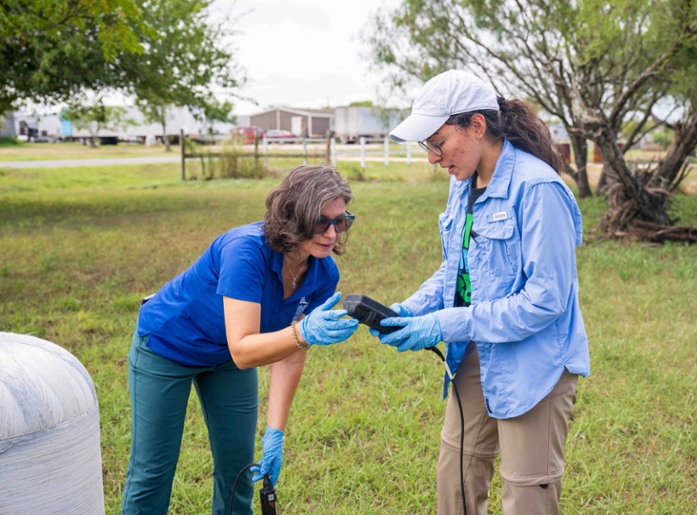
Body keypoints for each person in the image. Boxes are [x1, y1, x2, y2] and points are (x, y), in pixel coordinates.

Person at [372, 70, 590, 515]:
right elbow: (457, 268)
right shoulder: (462, 185)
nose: (433, 158)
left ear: (476, 125)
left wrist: (445, 322)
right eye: (426, 146)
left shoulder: (538, 189)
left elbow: (545, 301)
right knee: (455, 481)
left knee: (526, 496)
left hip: (535, 367)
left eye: (437, 142)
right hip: (473, 355)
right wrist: (413, 309)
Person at [121, 165, 360, 515]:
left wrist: (275, 433)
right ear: (293, 218)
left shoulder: (324, 272)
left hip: (228, 358)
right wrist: (304, 332)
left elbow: (290, 352)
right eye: (320, 221)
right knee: (153, 471)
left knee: (238, 470)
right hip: (168, 347)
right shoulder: (245, 250)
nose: (331, 233)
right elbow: (245, 349)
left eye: (341, 221)